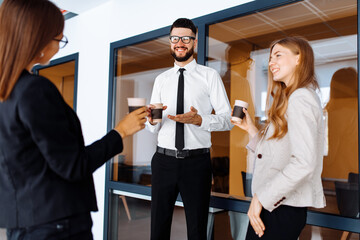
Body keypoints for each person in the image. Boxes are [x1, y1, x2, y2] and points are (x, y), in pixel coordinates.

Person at [0, 0, 146, 239]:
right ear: (37, 37)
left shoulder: (7, 92)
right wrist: (120, 132)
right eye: (59, 39)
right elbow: (72, 166)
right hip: (56, 226)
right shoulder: (34, 90)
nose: (59, 46)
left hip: (23, 224)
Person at [146, 18, 233, 240]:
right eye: (175, 38)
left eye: (186, 38)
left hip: (197, 163)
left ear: (195, 42)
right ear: (170, 42)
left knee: (197, 230)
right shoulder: (161, 80)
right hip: (163, 161)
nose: (180, 43)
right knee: (158, 228)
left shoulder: (209, 76)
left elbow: (227, 119)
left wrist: (200, 120)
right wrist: (151, 121)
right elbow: (152, 128)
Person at [232, 36, 326, 239]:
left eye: (278, 55)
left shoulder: (301, 98)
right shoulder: (292, 97)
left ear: (299, 58)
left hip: (278, 207)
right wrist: (251, 130)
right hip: (275, 205)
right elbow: (276, 153)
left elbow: (304, 163)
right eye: (270, 57)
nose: (271, 62)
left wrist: (261, 199)